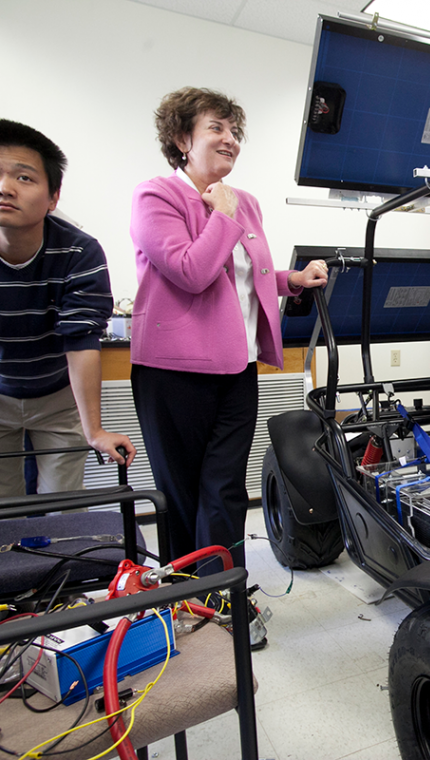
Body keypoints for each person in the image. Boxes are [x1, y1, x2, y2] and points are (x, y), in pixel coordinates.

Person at [129, 87, 327, 568]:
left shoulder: (245, 202)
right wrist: (222, 213)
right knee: (181, 493)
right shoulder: (157, 195)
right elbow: (192, 271)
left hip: (237, 368)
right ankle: (183, 592)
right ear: (181, 138)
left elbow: (245, 275)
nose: (230, 139)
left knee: (225, 489)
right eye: (216, 128)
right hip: (173, 372)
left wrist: (291, 280)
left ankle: (221, 595)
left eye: (234, 131)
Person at [0, 119, 135, 500]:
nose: (4, 187)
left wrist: (95, 432)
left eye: (24, 178)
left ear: (53, 196)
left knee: (66, 503)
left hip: (57, 392)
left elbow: (82, 341)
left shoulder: (79, 251)